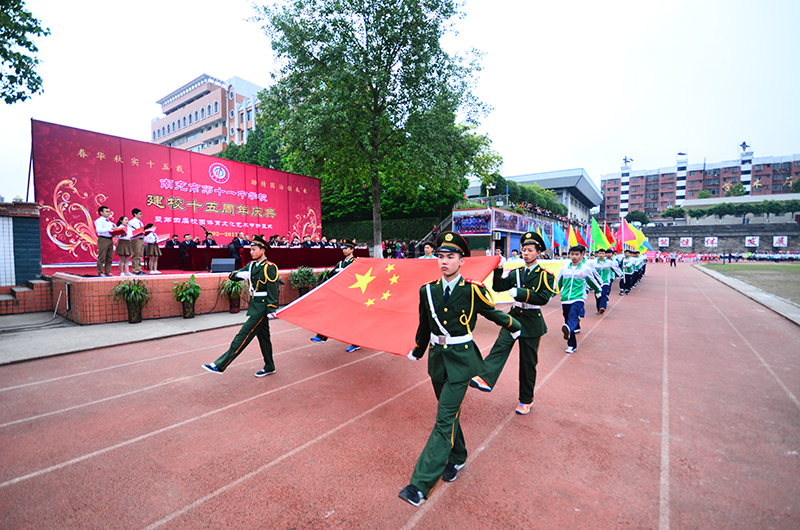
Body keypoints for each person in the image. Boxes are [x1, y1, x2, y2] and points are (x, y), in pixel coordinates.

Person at [398, 231, 521, 507]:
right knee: (449, 413)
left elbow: (494, 313)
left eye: (450, 257)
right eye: (440, 257)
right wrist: (418, 350)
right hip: (437, 361)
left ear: (461, 261)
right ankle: (459, 455)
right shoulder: (427, 291)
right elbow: (424, 325)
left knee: (443, 420)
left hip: (462, 362)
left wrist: (515, 326)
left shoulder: (472, 290)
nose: (444, 262)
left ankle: (420, 485)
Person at [470, 232, 556, 415]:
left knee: (527, 362)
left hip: (532, 321)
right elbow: (499, 286)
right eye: (524, 250)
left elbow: (543, 298)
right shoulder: (516, 273)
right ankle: (486, 378)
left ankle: (526, 400)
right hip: (515, 316)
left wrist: (522, 293)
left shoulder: (545, 275)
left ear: (538, 252)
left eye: (530, 250)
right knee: (500, 345)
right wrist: (498, 268)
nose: (525, 253)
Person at [202, 235, 280, 377]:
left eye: (254, 249)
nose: (251, 252)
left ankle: (220, 365)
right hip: (255, 304)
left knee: (243, 335)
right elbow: (232, 275)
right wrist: (240, 275)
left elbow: (273, 288)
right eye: (250, 249)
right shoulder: (251, 266)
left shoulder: (270, 267)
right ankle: (269, 366)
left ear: (262, 251)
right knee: (264, 338)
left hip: (262, 307)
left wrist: (271, 308)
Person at [310, 238, 362, 353]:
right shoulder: (340, 263)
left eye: (346, 248)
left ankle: (356, 342)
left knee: (352, 320)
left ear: (352, 249)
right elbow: (331, 275)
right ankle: (321, 336)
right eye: (343, 248)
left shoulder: (356, 262)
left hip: (351, 296)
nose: (344, 250)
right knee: (330, 314)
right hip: (339, 295)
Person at [556, 245, 601, 354]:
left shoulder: (585, 269)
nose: (574, 256)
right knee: (567, 320)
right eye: (572, 254)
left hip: (578, 298)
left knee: (573, 315)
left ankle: (570, 332)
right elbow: (557, 284)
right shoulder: (564, 269)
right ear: (569, 255)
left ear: (582, 254)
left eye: (577, 254)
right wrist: (550, 294)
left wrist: (599, 290)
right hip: (565, 299)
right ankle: (572, 345)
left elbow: (592, 281)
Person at [592, 248, 621, 314]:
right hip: (597, 282)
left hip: (606, 281)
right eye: (600, 253)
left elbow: (615, 269)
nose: (601, 255)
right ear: (597, 254)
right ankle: (598, 308)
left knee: (604, 294)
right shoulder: (593, 262)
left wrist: (620, 275)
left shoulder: (609, 263)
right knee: (598, 296)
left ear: (605, 254)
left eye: (602, 253)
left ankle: (602, 307)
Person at [94, 206, 115, 276]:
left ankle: (107, 272)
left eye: (109, 211)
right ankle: (100, 272)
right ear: (101, 212)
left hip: (110, 239)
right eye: (106, 211)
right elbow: (99, 230)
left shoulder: (109, 222)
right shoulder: (99, 221)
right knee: (102, 257)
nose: (108, 213)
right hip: (103, 239)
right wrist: (109, 230)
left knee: (109, 257)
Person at [128, 208, 146, 275]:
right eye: (140, 214)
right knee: (136, 255)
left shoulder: (140, 222)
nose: (141, 215)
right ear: (135, 214)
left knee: (140, 255)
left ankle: (139, 269)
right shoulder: (131, 222)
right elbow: (131, 232)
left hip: (141, 239)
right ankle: (135, 270)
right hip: (135, 239)